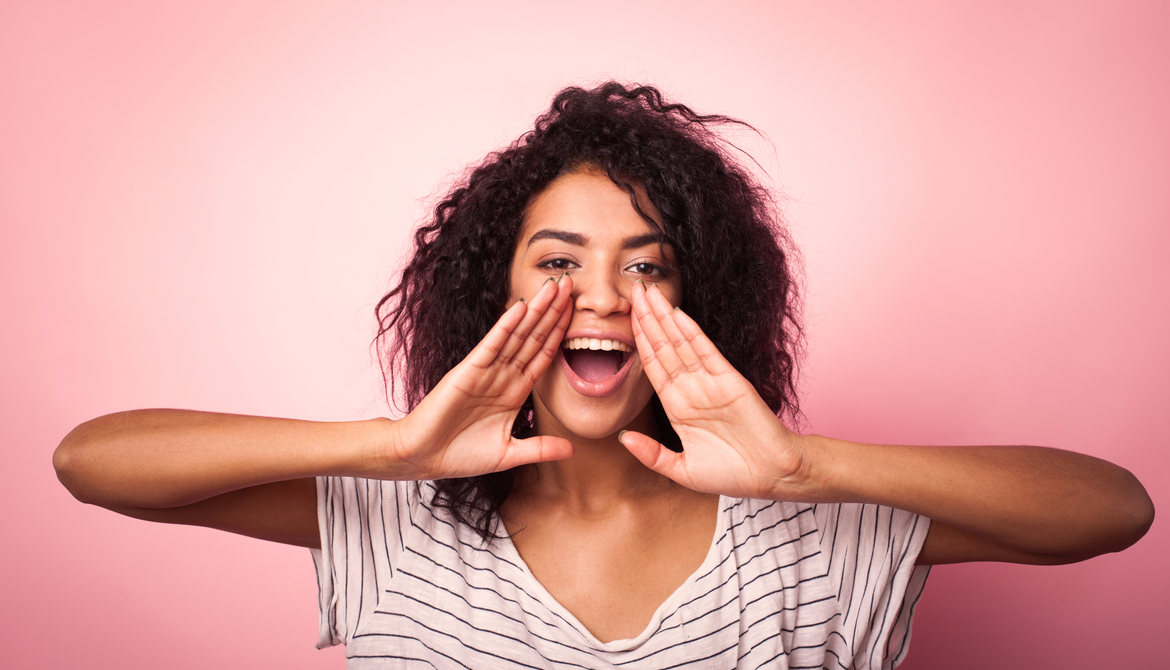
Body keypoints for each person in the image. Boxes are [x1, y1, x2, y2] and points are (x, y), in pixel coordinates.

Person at [54, 82, 1153, 669]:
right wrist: (393, 447)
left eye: (648, 265)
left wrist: (805, 465)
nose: (606, 297)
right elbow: (96, 462)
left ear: (700, 304)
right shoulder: (397, 518)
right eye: (559, 263)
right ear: (495, 294)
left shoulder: (811, 521)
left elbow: (1114, 509)